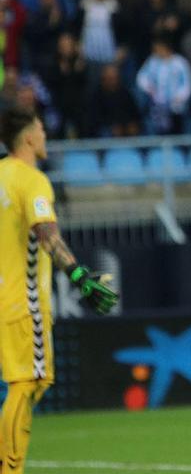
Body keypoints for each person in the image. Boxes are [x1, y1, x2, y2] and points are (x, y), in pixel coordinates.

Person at [0, 106, 117, 472]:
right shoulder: (31, 179)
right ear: (30, 137)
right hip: (23, 299)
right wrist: (80, 276)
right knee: (28, 381)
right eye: (42, 130)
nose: (45, 136)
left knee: (24, 382)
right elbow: (45, 233)